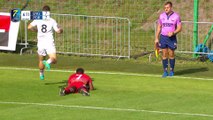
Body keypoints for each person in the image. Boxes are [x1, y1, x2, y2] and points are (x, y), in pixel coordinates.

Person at [28, 5, 63, 80]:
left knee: (41, 60)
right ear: (49, 12)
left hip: (40, 43)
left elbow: (29, 27)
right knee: (54, 59)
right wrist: (61, 30)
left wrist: (36, 30)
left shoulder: (38, 19)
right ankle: (48, 62)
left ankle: (41, 73)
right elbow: (58, 31)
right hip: (49, 42)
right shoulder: (52, 20)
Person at [155, 1, 182, 77]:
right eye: (165, 8)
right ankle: (165, 71)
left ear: (171, 7)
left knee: (171, 54)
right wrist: (156, 38)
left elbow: (180, 28)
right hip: (163, 37)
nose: (166, 9)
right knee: (164, 54)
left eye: (167, 7)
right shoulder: (161, 16)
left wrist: (173, 32)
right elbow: (159, 27)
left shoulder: (176, 16)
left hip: (171, 38)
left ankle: (172, 71)